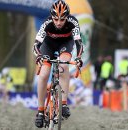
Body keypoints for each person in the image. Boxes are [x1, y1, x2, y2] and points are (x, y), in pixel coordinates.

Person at [33, 0, 83, 128]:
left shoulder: (73, 22)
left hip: (65, 44)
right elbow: (36, 44)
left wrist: (78, 58)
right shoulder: (46, 23)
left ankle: (64, 103)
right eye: (56, 19)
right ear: (52, 17)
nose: (59, 23)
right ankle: (40, 111)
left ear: (67, 17)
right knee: (44, 74)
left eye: (62, 19)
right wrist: (39, 56)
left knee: (64, 65)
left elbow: (78, 43)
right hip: (47, 46)